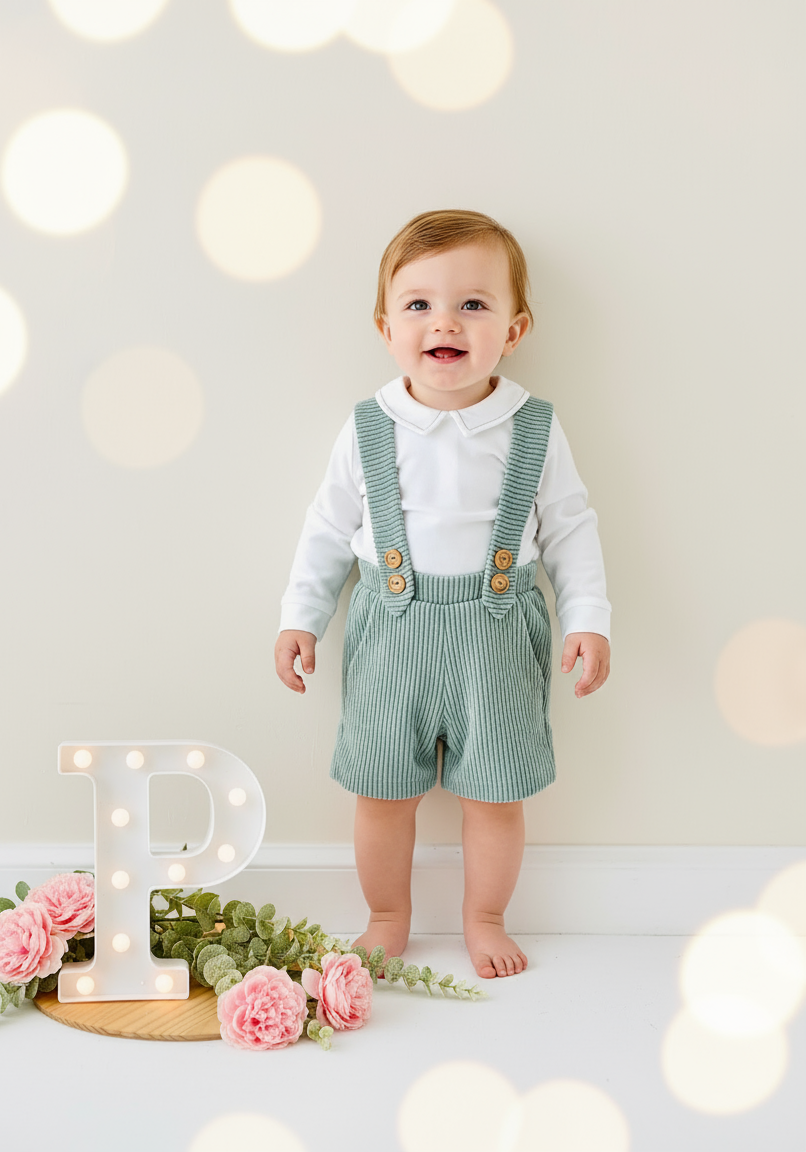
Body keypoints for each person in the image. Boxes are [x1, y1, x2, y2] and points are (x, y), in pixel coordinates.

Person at [274, 209, 611, 979]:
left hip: (498, 634)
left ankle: (485, 914)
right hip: (390, 632)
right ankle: (387, 913)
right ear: (385, 326)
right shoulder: (366, 428)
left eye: (473, 304)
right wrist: (302, 618)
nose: (444, 322)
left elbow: (570, 528)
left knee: (495, 796)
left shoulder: (533, 427)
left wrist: (588, 619)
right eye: (419, 304)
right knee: (381, 794)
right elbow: (327, 530)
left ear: (514, 329)